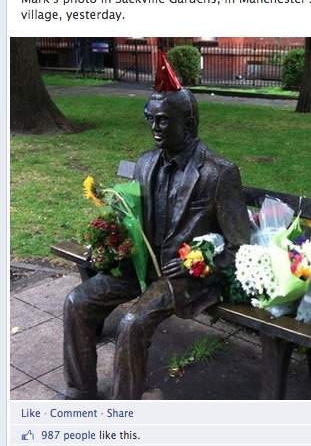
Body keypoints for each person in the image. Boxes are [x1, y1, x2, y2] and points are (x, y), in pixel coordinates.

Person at [56, 52, 250, 400]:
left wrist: (201, 262)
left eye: (162, 121)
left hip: (182, 276)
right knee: (76, 300)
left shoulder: (219, 173)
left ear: (187, 125)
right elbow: (135, 216)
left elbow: (241, 248)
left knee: (132, 323)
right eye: (150, 119)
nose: (154, 128)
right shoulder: (146, 162)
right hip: (141, 263)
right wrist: (115, 238)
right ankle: (78, 391)